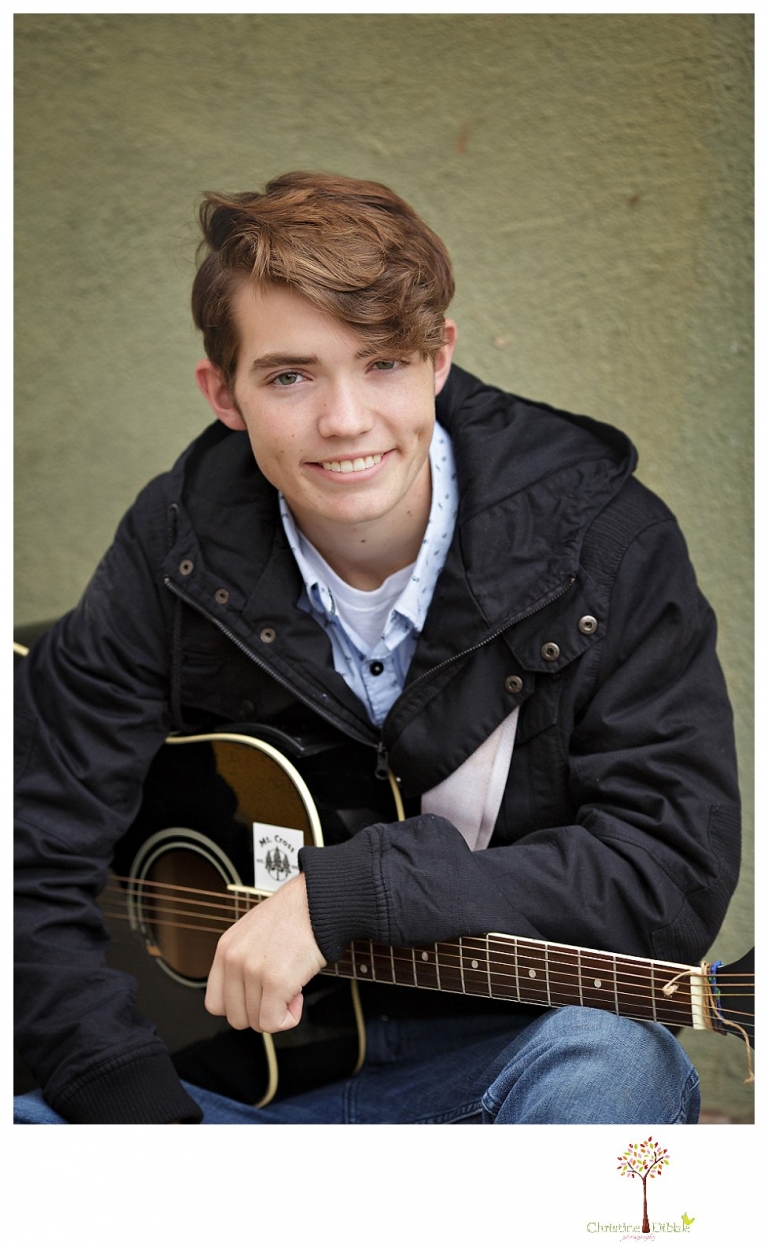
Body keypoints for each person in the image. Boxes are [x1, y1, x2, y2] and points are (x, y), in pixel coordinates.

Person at [14, 171, 741, 1124]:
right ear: (222, 393)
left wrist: (353, 892)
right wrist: (146, 1130)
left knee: (610, 1066)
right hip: (226, 1086)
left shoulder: (602, 541)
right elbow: (31, 859)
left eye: (382, 363)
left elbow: (668, 871)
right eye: (288, 375)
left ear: (440, 358)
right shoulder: (173, 544)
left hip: (500, 1055)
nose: (346, 420)